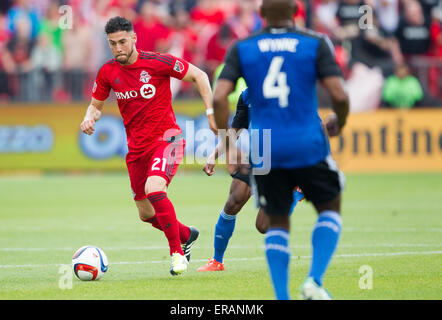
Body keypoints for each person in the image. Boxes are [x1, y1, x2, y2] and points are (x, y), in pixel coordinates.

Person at [213, 0, 350, 300]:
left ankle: (282, 297)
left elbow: (220, 96)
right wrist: (339, 121)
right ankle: (314, 279)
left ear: (261, 14)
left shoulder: (243, 47)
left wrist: (227, 142)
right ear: (296, 13)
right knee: (330, 205)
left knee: (274, 223)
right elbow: (339, 93)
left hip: (267, 150)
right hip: (306, 143)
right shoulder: (315, 43)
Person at [80, 16, 217, 276]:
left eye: (122, 42)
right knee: (145, 213)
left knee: (154, 188)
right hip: (136, 150)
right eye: (112, 44)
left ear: (133, 38)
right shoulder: (108, 71)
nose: (118, 48)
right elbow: (96, 106)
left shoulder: (157, 62)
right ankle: (187, 234)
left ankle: (177, 253)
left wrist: (210, 112)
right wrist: (89, 118)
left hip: (168, 139)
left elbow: (199, 75)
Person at [198, 88, 304, 272]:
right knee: (233, 201)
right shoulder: (247, 96)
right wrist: (213, 155)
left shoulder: (288, 90)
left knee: (262, 226)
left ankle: (295, 193)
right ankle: (217, 261)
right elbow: (234, 132)